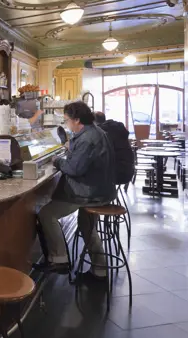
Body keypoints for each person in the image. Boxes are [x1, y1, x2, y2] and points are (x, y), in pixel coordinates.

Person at [37, 101, 116, 280]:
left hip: (88, 192)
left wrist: (57, 161)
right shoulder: (95, 132)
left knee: (46, 214)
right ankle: (100, 270)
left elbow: (74, 169)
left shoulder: (87, 138)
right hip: (101, 189)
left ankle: (59, 260)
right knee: (87, 226)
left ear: (77, 120)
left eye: (67, 120)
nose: (66, 124)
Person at [94, 111, 135, 185]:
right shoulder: (116, 128)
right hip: (128, 171)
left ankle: (99, 196)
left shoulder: (101, 132)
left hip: (115, 174)